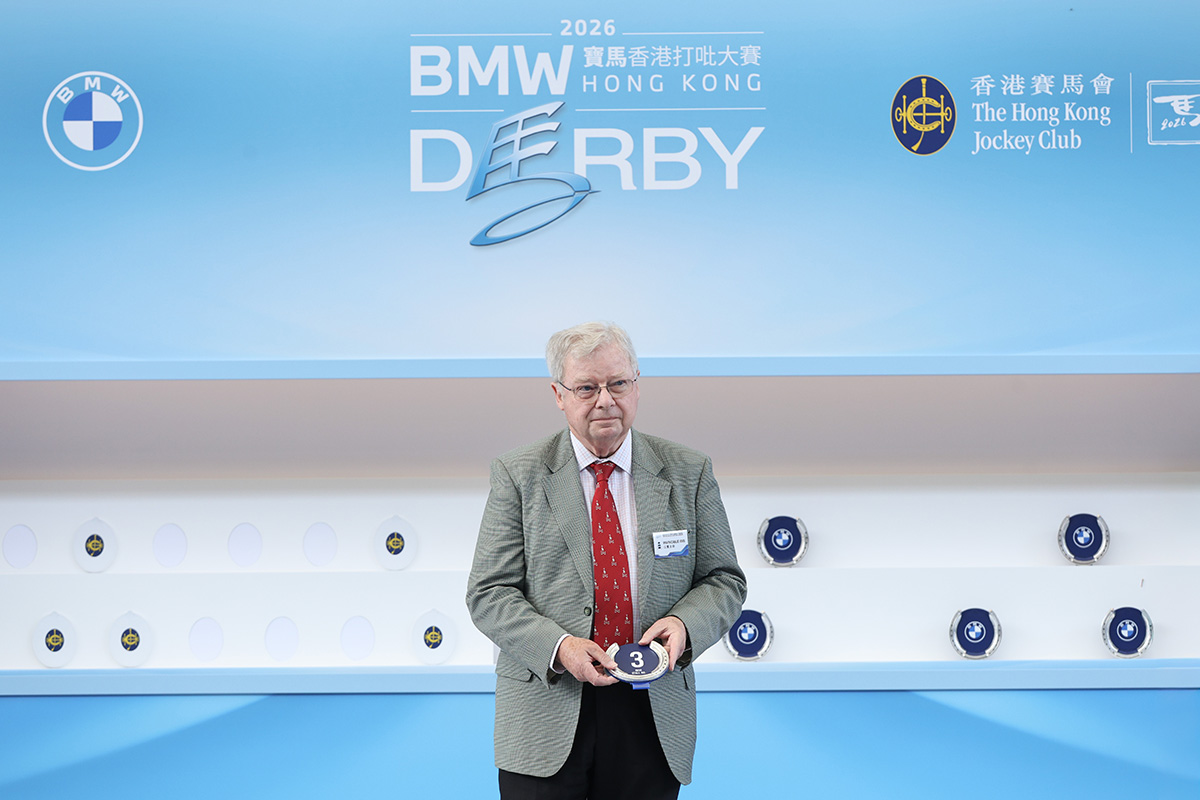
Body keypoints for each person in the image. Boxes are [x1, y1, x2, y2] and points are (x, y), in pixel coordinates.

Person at [466, 321, 747, 799]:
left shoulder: (689, 471)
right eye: (586, 388)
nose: (605, 400)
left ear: (637, 385)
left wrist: (685, 623)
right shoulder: (518, 474)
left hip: (652, 713)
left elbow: (724, 580)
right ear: (558, 395)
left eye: (618, 383)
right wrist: (560, 648)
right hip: (547, 708)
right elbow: (488, 593)